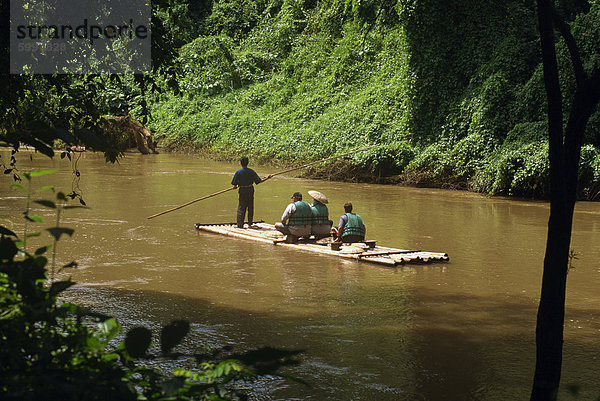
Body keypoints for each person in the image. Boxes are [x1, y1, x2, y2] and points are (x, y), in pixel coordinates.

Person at [231, 156, 272, 228]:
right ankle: (250, 224)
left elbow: (234, 184)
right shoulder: (251, 171)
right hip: (250, 190)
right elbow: (259, 181)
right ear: (248, 163)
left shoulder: (238, 172)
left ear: (241, 163)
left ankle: (240, 225)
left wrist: (235, 186)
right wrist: (267, 178)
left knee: (241, 208)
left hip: (242, 191)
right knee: (250, 207)